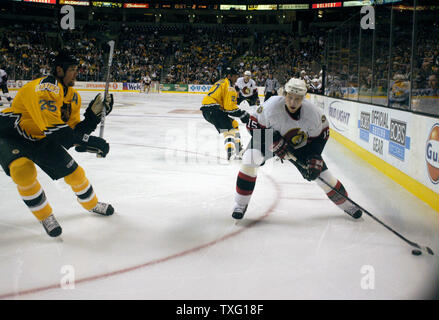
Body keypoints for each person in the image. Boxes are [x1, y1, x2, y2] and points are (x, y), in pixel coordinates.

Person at [0, 50, 114, 238]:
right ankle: (45, 216)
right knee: (23, 171)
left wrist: (92, 119)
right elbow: (60, 134)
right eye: (72, 70)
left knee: (76, 174)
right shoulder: (46, 88)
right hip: (10, 134)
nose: (76, 73)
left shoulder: (73, 97)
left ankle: (92, 204)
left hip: (40, 137)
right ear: (59, 70)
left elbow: (74, 133)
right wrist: (92, 142)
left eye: (77, 69)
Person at [232, 78, 362, 220]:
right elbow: (253, 126)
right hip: (268, 139)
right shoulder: (270, 106)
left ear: (304, 98)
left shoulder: (313, 114)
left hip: (300, 146)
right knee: (250, 158)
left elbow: (322, 136)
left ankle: (348, 205)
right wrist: (272, 141)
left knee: (322, 176)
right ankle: (240, 204)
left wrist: (314, 156)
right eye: (290, 97)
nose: (293, 102)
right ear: (284, 94)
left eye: (298, 99)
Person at [200, 67, 250, 160]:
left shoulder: (222, 82)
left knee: (233, 124)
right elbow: (229, 108)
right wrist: (242, 114)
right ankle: (230, 152)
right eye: (235, 76)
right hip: (214, 108)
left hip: (210, 109)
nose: (236, 79)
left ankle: (238, 149)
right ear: (229, 76)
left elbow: (226, 103)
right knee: (229, 130)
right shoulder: (229, 86)